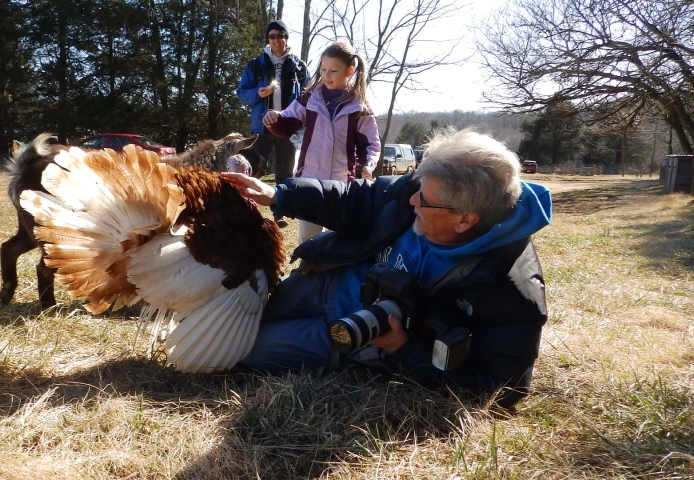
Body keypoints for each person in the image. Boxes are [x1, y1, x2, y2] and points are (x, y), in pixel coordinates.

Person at [221, 128, 553, 408]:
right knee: (238, 315)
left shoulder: (511, 289)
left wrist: (403, 349)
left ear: (465, 219)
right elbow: (353, 199)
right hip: (327, 284)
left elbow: (500, 388)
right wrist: (279, 194)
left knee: (235, 346)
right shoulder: (423, 188)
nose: (412, 201)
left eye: (423, 200)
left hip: (358, 337)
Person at [262, 41, 381, 244]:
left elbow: (370, 143)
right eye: (323, 69)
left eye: (333, 70)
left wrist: (368, 164)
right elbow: (287, 123)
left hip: (342, 184)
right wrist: (274, 119)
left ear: (349, 71)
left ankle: (336, 273)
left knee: (340, 238)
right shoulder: (310, 98)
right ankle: (306, 272)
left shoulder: (359, 107)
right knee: (308, 238)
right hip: (310, 180)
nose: (326, 75)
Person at [236, 19, 310, 227]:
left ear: (286, 38)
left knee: (285, 172)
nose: (276, 40)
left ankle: (280, 213)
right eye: (272, 36)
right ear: (268, 39)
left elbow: (308, 95)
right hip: (262, 127)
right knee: (254, 168)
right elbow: (242, 93)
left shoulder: (299, 66)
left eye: (281, 35)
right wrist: (257, 94)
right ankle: (247, 208)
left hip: (287, 127)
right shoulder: (255, 65)